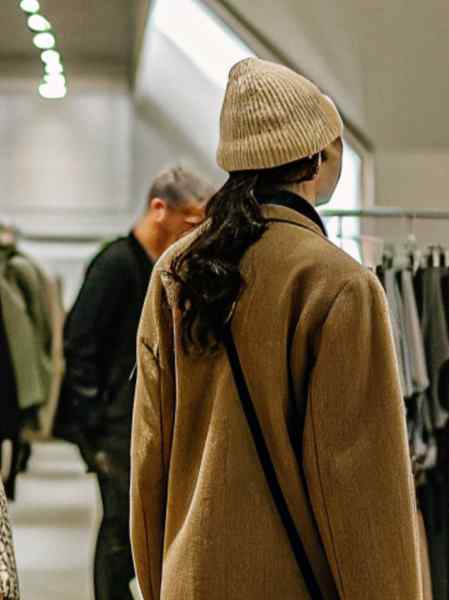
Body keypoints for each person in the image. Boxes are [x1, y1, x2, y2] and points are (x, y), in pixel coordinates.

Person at [130, 57, 425, 600]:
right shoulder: (338, 284)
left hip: (189, 577)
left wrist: (159, 581)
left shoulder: (175, 271)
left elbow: (151, 458)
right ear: (316, 158)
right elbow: (362, 496)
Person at [55, 165, 210, 600]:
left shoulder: (159, 267)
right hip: (114, 426)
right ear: (160, 209)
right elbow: (79, 343)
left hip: (134, 419)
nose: (195, 231)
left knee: (135, 526)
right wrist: (95, 426)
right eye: (192, 220)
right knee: (120, 529)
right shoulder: (115, 264)